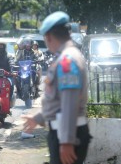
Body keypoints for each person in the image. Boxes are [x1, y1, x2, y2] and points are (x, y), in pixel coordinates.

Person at [22, 11, 92, 164]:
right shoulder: (67, 57)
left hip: (68, 135)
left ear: (48, 37)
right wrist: (38, 118)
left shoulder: (67, 61)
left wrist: (67, 141)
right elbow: (59, 101)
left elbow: (69, 103)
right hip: (65, 132)